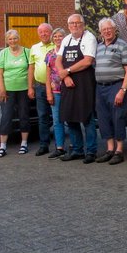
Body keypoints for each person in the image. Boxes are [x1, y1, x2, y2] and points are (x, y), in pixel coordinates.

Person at [55, 14, 98, 163]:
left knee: (87, 117)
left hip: (84, 82)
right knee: (70, 116)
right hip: (68, 82)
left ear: (83, 24)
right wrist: (65, 77)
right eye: (72, 23)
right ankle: (77, 150)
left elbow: (87, 61)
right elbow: (58, 60)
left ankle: (91, 151)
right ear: (68, 26)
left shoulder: (89, 38)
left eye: (78, 23)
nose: (75, 25)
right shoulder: (66, 40)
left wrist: (67, 72)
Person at [95, 18, 127, 165]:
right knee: (104, 119)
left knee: (118, 118)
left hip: (116, 86)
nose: (107, 31)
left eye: (109, 28)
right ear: (100, 31)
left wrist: (122, 90)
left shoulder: (122, 45)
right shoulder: (98, 47)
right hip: (100, 87)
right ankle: (109, 150)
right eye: (104, 29)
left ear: (114, 29)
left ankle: (119, 151)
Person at [0, 30, 31, 157]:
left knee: (24, 115)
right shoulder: (3, 53)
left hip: (23, 88)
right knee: (6, 116)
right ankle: (2, 146)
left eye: (15, 38)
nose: (13, 41)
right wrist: (1, 89)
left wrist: (31, 87)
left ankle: (24, 144)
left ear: (19, 38)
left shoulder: (27, 52)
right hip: (8, 90)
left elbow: (31, 71)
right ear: (6, 40)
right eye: (10, 39)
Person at [28, 23, 54, 156]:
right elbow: (31, 68)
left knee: (59, 117)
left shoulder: (57, 46)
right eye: (41, 32)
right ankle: (44, 145)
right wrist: (30, 87)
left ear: (51, 32)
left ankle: (61, 146)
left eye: (46, 32)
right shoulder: (34, 48)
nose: (43, 34)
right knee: (42, 116)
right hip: (40, 86)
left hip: (56, 87)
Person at [45, 28, 67, 159]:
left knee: (70, 119)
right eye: (55, 36)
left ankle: (74, 145)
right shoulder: (50, 54)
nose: (58, 38)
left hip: (69, 91)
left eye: (61, 36)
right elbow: (47, 75)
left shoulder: (69, 51)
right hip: (55, 91)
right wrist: (49, 93)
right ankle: (60, 147)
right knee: (57, 120)